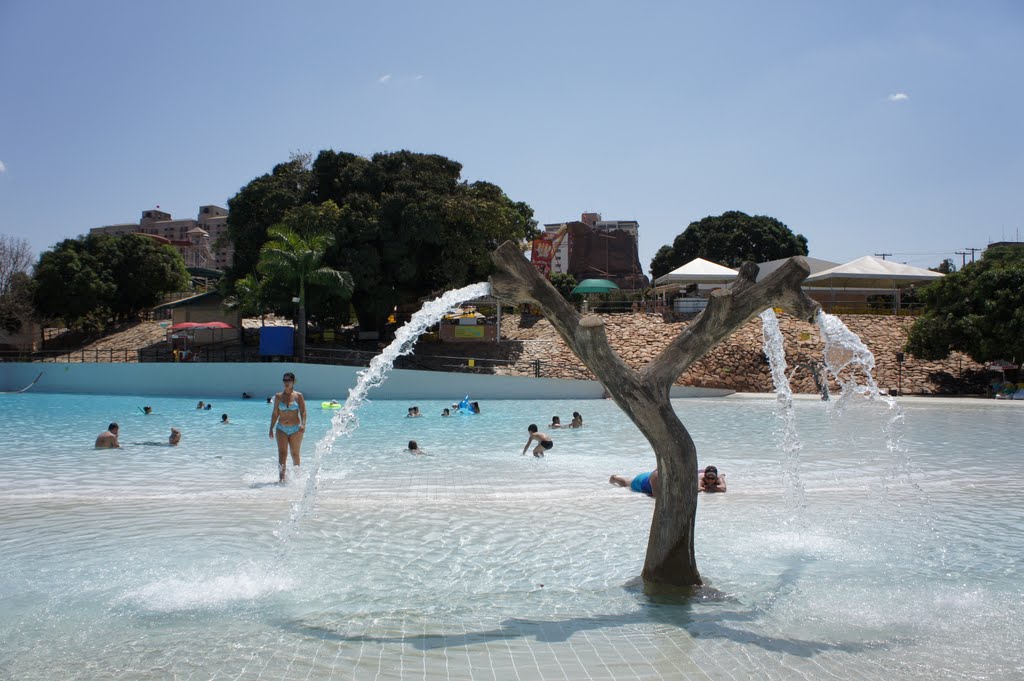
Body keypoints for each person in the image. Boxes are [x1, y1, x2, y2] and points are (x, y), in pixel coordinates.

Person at [269, 372, 306, 482]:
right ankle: (281, 480)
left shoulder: (298, 396)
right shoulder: (278, 396)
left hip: (295, 429)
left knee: (295, 454)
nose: (286, 382)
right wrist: (271, 428)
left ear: (293, 382)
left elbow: (303, 411)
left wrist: (303, 424)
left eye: (288, 380)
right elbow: (275, 413)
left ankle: (298, 478)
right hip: (281, 428)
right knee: (282, 453)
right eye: (284, 380)